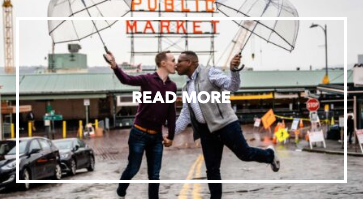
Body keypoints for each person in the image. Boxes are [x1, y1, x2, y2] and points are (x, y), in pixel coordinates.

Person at [175, 51, 280, 199]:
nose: (176, 65)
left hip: (226, 125)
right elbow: (185, 115)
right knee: (212, 169)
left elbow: (233, 87)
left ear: (190, 62)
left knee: (245, 154)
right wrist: (170, 134)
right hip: (207, 132)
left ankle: (269, 155)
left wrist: (234, 70)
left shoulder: (210, 73)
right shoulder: (186, 88)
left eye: (180, 61)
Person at [104, 50, 177, 199]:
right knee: (133, 168)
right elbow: (126, 79)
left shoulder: (172, 86)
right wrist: (114, 65)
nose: (175, 63)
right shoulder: (147, 79)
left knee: (155, 175)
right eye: (173, 60)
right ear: (163, 63)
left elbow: (171, 112)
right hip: (139, 133)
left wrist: (171, 135)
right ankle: (121, 191)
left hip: (156, 137)